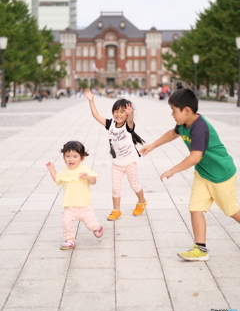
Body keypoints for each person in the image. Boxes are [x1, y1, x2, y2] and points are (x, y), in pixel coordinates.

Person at [140, 88, 240, 261]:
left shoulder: (200, 128)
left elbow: (195, 157)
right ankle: (200, 249)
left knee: (232, 211)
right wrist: (152, 145)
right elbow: (173, 133)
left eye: (174, 110)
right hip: (203, 174)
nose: (172, 114)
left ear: (186, 110)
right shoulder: (183, 124)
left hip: (221, 175)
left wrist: (172, 170)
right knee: (195, 209)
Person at [84, 88, 147, 221]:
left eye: (122, 112)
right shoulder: (110, 124)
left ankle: (142, 202)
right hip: (117, 164)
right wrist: (91, 101)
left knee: (134, 185)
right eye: (116, 111)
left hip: (130, 162)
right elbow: (96, 116)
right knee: (115, 188)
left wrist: (130, 115)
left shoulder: (128, 126)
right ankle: (116, 210)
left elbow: (130, 121)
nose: (118, 114)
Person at [45, 141, 103, 250]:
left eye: (75, 156)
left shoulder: (85, 169)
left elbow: (93, 181)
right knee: (66, 222)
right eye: (67, 156)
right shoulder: (64, 172)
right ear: (64, 157)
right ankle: (70, 240)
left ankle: (97, 228)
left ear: (82, 158)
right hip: (70, 206)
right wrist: (52, 169)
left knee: (91, 225)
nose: (71, 159)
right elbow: (57, 180)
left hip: (84, 206)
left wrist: (87, 177)